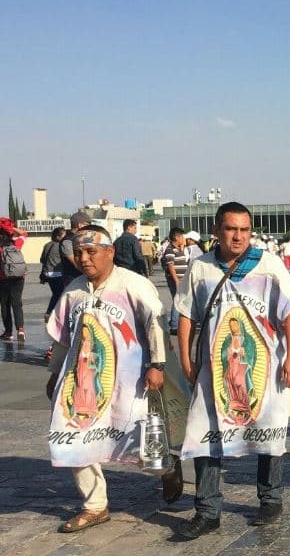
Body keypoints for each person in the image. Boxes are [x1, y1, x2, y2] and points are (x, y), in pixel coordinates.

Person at [176, 202, 290, 539]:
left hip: (262, 368)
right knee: (205, 435)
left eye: (244, 230)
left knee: (269, 430)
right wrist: (186, 360)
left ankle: (270, 498)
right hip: (214, 369)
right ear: (217, 231)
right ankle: (207, 510)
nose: (238, 236)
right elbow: (186, 315)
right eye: (231, 229)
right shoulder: (201, 268)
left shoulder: (267, 264)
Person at [44, 224, 180, 532]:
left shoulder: (134, 284)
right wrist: (55, 375)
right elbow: (63, 337)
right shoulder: (74, 289)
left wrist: (157, 365)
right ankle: (95, 505)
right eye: (78, 252)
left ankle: (167, 468)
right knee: (72, 436)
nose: (84, 258)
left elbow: (155, 324)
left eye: (91, 251)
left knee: (138, 439)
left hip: (130, 379)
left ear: (110, 252)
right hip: (82, 380)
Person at [0, 221, 28, 340]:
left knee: (5, 305)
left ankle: (8, 332)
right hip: (19, 278)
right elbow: (24, 233)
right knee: (17, 303)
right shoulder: (17, 244)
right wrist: (9, 227)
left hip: (3, 279)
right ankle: (20, 330)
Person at [161, 228, 188, 335]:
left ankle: (174, 322)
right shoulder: (170, 249)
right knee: (177, 300)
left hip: (181, 278)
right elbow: (170, 265)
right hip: (177, 279)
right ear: (176, 237)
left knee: (179, 300)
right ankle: (174, 326)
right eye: (182, 236)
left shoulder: (178, 248)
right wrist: (176, 280)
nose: (183, 238)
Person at [40, 227, 67, 321]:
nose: (65, 237)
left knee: (56, 293)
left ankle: (52, 313)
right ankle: (51, 313)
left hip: (48, 274)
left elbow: (42, 259)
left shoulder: (47, 245)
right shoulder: (61, 245)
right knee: (59, 294)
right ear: (58, 236)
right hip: (58, 273)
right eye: (64, 235)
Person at [60, 212, 91, 288]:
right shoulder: (67, 241)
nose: (90, 227)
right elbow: (77, 264)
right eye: (88, 224)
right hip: (73, 281)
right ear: (80, 225)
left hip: (84, 278)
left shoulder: (80, 239)